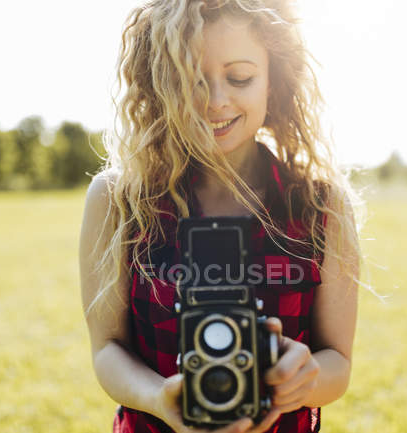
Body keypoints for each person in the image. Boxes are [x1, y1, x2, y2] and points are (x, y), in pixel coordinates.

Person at [79, 1, 363, 432]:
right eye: (189, 78)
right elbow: (107, 350)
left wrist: (303, 380)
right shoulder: (119, 199)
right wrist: (158, 398)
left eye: (240, 77)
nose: (214, 101)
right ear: (160, 84)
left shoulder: (320, 204)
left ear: (273, 80)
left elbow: (337, 364)